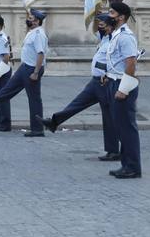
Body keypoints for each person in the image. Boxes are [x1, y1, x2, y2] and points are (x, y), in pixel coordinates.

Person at [46, 12, 119, 162]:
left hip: (105, 82)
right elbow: (94, 29)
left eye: (103, 24)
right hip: (95, 81)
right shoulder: (104, 37)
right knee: (78, 102)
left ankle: (114, 151)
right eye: (99, 24)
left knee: (109, 117)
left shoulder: (115, 40)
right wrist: (94, 12)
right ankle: (54, 121)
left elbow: (119, 60)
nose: (100, 26)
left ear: (110, 26)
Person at [0, 7, 48, 136]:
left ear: (36, 22)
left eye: (30, 19)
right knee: (6, 90)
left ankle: (37, 129)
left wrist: (36, 72)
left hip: (32, 69)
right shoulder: (32, 32)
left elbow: (40, 54)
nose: (28, 20)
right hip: (25, 67)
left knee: (34, 99)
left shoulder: (39, 34)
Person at [103, 0, 141, 178]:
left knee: (127, 128)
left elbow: (131, 63)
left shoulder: (125, 36)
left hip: (122, 85)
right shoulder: (117, 34)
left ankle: (133, 167)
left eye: (111, 13)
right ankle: (126, 164)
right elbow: (117, 61)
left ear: (121, 17)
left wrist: (123, 89)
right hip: (114, 81)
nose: (108, 16)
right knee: (120, 127)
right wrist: (107, 74)